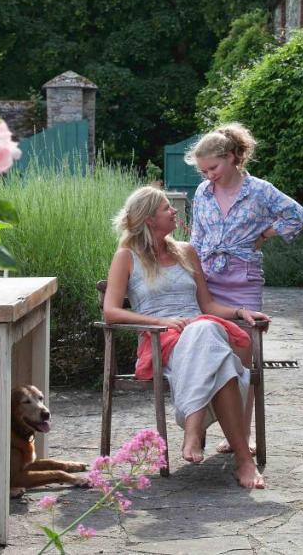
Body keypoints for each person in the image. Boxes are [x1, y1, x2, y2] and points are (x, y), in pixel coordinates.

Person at [103, 185, 268, 489]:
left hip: (201, 329)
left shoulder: (186, 252)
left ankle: (193, 429)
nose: (174, 211)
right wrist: (160, 320)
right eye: (167, 207)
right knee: (223, 362)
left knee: (205, 329)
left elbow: (208, 306)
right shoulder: (126, 257)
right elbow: (111, 312)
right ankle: (244, 462)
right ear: (150, 218)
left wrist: (242, 312)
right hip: (161, 340)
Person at [186, 122, 303, 454]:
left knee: (244, 361)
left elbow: (299, 216)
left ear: (232, 158)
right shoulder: (202, 193)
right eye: (203, 171)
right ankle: (200, 431)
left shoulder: (260, 191)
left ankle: (240, 435)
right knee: (206, 356)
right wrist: (188, 270)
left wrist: (265, 234)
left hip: (243, 280)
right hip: (208, 279)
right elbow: (196, 238)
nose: (208, 175)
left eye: (213, 167)